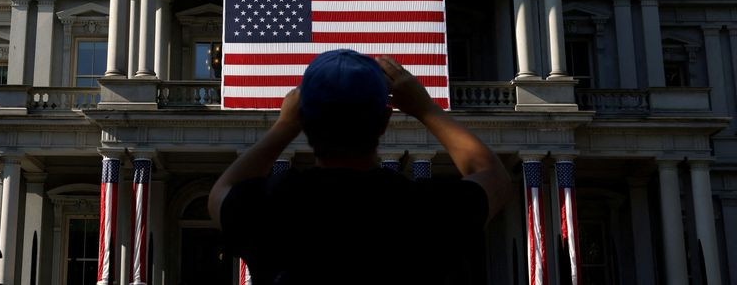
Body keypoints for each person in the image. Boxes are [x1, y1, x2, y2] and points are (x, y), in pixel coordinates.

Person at [208, 49, 512, 284]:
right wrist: (426, 108)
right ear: (384, 121)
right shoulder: (424, 208)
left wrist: (284, 127)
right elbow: (493, 175)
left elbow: (221, 191)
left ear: (305, 121)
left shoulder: (271, 207)